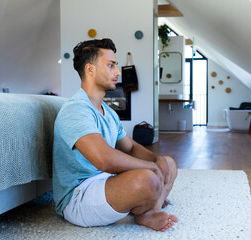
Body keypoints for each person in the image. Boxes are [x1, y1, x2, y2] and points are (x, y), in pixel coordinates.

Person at [52, 38, 178, 232]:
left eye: (116, 66)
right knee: (148, 178)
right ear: (90, 69)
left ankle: (150, 205)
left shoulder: (108, 112)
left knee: (168, 163)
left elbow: (131, 147)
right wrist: (151, 167)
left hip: (104, 181)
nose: (118, 72)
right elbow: (105, 160)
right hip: (78, 197)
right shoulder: (76, 110)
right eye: (111, 66)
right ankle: (147, 210)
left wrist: (156, 160)